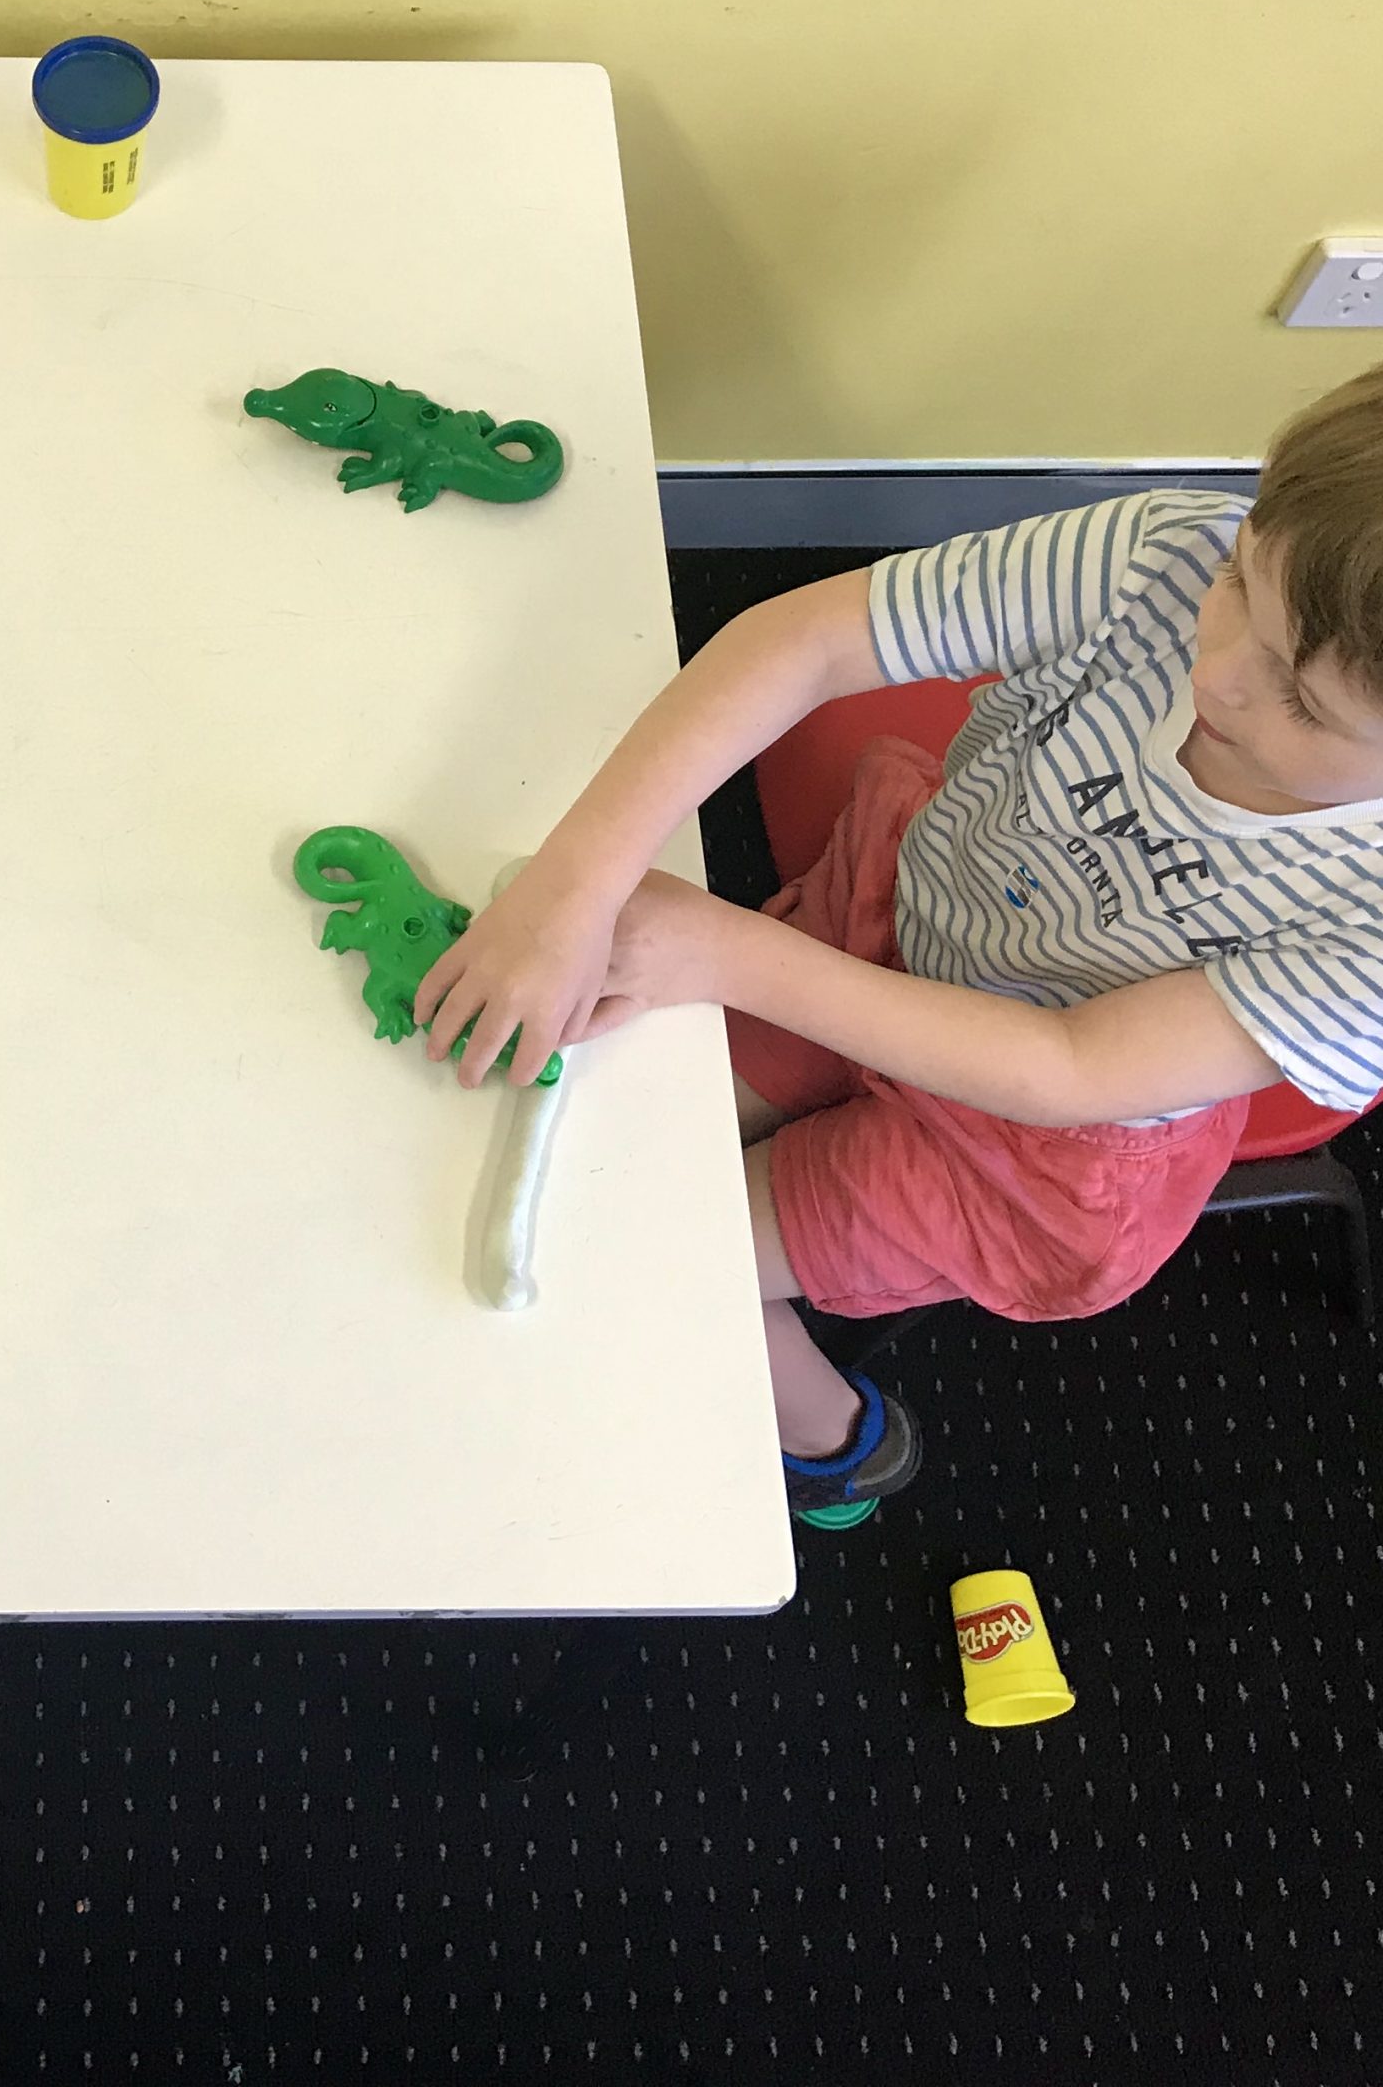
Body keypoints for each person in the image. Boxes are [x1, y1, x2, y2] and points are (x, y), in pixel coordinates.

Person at [416, 369, 1383, 1523]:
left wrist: (722, 952)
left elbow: (1068, 1068)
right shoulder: (1165, 555)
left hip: (1032, 1150)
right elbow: (809, 642)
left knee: (657, 1235)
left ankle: (831, 1436)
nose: (1212, 667)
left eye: (1303, 703)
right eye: (1240, 583)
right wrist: (572, 888)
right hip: (890, 924)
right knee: (599, 1142)